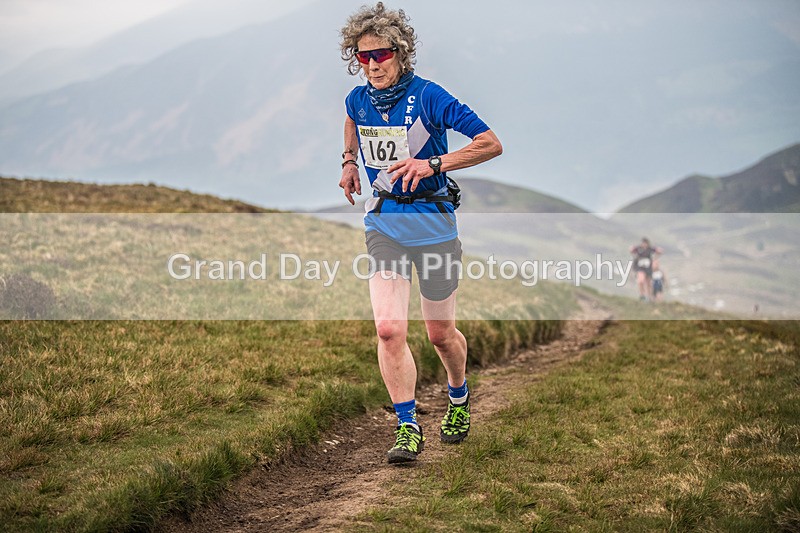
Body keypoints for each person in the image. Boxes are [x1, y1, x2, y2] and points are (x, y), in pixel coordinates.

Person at [338, 3, 502, 464]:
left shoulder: (431, 97)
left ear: (401, 53)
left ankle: (458, 395)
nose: (373, 64)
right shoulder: (357, 98)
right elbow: (351, 120)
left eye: (382, 55)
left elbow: (490, 143)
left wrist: (432, 163)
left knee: (439, 333)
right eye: (363, 56)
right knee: (389, 329)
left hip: (434, 226)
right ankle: (407, 426)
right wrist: (349, 163)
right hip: (384, 224)